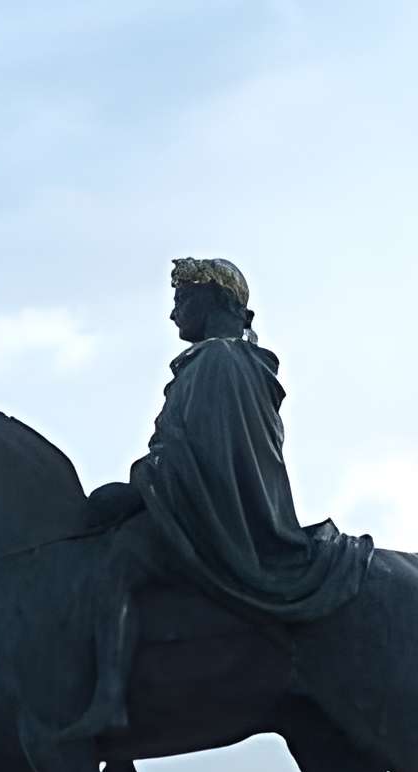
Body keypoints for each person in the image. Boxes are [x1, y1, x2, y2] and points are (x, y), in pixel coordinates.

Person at [65, 257, 370, 741]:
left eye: (181, 300)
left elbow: (200, 457)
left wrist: (140, 485)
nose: (174, 315)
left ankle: (109, 702)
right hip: (212, 503)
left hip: (218, 515)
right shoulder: (223, 361)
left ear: (212, 299)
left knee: (118, 562)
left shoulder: (219, 363)